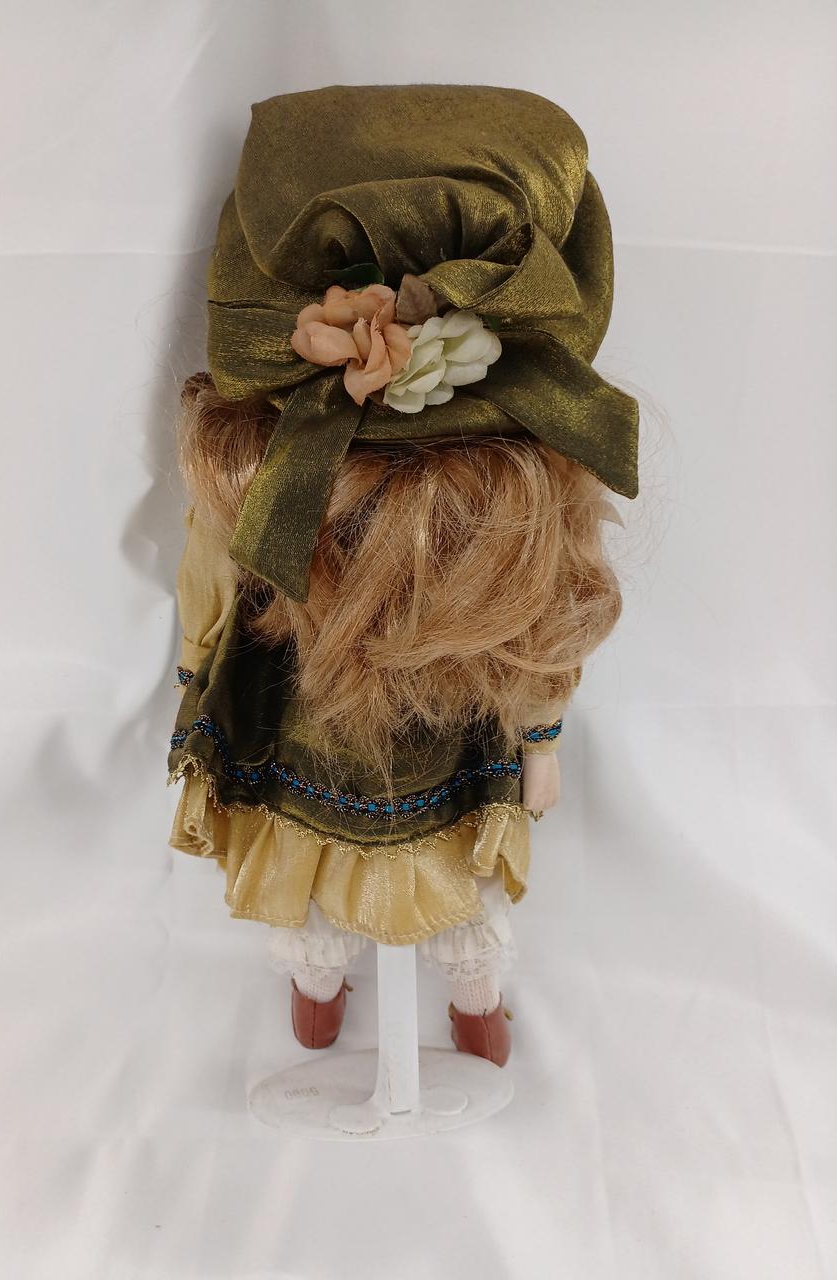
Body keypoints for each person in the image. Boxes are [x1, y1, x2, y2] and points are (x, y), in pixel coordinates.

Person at [165, 84, 639, 1068]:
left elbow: (546, 626)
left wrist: (539, 740)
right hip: (316, 718)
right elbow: (211, 573)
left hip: (450, 721)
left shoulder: (503, 538)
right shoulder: (276, 503)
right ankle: (329, 982)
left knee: (459, 897)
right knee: (324, 894)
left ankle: (467, 993)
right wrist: (197, 671)